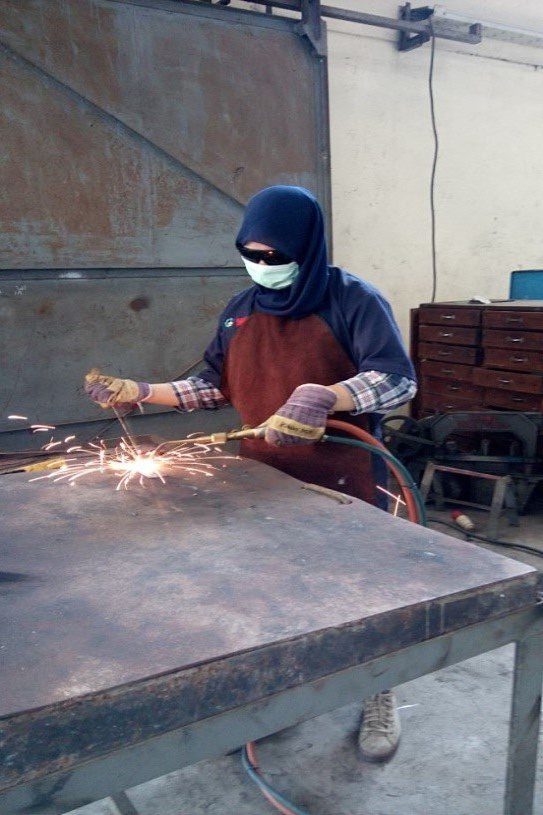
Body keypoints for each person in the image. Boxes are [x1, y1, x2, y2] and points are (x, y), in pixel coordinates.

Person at [85, 185, 417, 762]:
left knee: (361, 594)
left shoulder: (353, 300)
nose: (261, 265)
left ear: (305, 246)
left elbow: (396, 378)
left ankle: (377, 690)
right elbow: (212, 386)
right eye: (250, 254)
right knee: (282, 595)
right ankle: (286, 696)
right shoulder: (241, 310)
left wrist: (327, 396)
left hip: (346, 481)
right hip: (265, 481)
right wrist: (141, 391)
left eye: (273, 255)